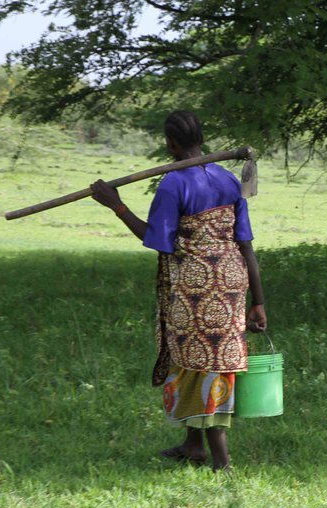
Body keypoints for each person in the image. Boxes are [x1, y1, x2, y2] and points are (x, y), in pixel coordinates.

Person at [90, 110, 267, 471]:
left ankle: (221, 461)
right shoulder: (228, 179)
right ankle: (193, 445)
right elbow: (246, 244)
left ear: (170, 143)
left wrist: (116, 205)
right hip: (233, 280)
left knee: (203, 364)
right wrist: (259, 302)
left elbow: (159, 240)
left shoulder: (173, 183)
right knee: (197, 360)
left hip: (196, 284)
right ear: (200, 137)